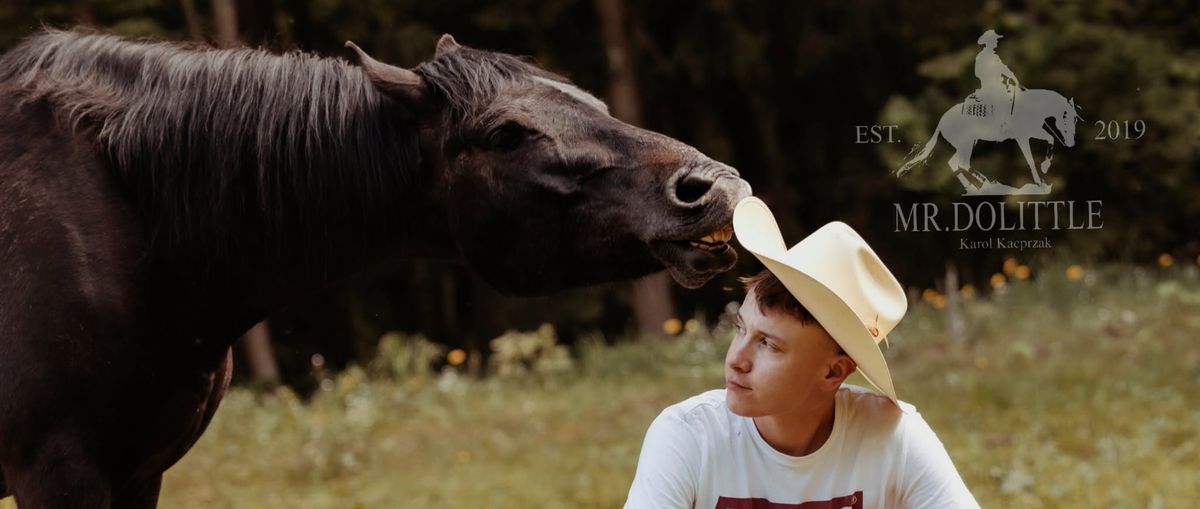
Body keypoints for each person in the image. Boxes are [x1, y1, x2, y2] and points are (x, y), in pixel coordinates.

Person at [623, 197, 979, 508]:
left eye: (768, 345)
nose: (736, 359)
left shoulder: (892, 436)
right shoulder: (688, 436)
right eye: (741, 329)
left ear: (834, 372)